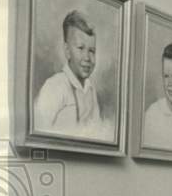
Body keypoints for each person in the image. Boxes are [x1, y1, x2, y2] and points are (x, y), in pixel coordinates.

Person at [33, 10, 113, 141]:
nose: (87, 57)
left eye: (92, 51)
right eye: (80, 48)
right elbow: (37, 133)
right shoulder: (54, 86)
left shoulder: (90, 89)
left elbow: (96, 133)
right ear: (67, 51)